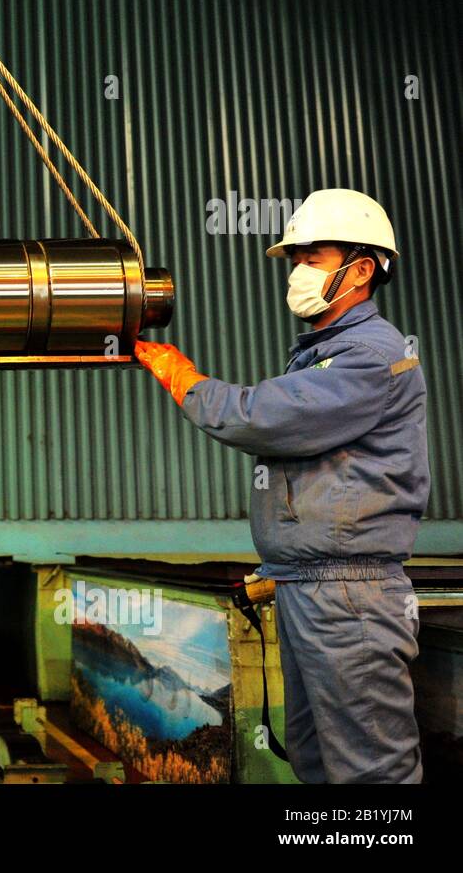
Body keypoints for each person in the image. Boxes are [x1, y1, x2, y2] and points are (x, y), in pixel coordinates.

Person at [134, 188, 428, 783]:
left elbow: (265, 416)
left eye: (311, 257)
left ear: (362, 268)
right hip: (313, 588)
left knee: (372, 771)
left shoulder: (372, 355)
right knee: (317, 757)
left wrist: (187, 380)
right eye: (294, 259)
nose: (297, 272)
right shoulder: (322, 354)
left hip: (350, 598)